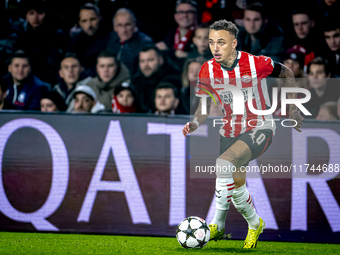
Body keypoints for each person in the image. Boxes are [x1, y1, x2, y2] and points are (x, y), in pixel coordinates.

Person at [182, 20, 303, 248]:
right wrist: (195, 123)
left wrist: (293, 108)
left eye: (221, 42)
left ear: (234, 43)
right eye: (211, 42)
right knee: (236, 188)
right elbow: (204, 105)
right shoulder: (207, 69)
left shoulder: (255, 63)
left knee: (223, 163)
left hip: (260, 127)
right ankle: (255, 224)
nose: (215, 47)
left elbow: (286, 73)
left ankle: (217, 225)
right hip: (230, 130)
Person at [15, 0, 70, 84]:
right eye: (31, 13)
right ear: (26, 16)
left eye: (40, 13)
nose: (35, 17)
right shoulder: (21, 38)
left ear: (46, 14)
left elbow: (53, 66)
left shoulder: (58, 37)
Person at [131, 44, 182, 113]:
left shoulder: (172, 78)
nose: (146, 65)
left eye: (150, 60)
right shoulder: (135, 81)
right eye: (142, 61)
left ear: (161, 60)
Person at [106, 8, 153, 76]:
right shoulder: (111, 40)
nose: (124, 30)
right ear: (114, 27)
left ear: (134, 25)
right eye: (120, 25)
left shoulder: (145, 42)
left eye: (127, 25)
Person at [68, 3, 111, 77]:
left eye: (92, 19)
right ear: (80, 23)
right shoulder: (75, 41)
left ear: (100, 18)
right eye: (84, 21)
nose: (89, 25)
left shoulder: (110, 38)